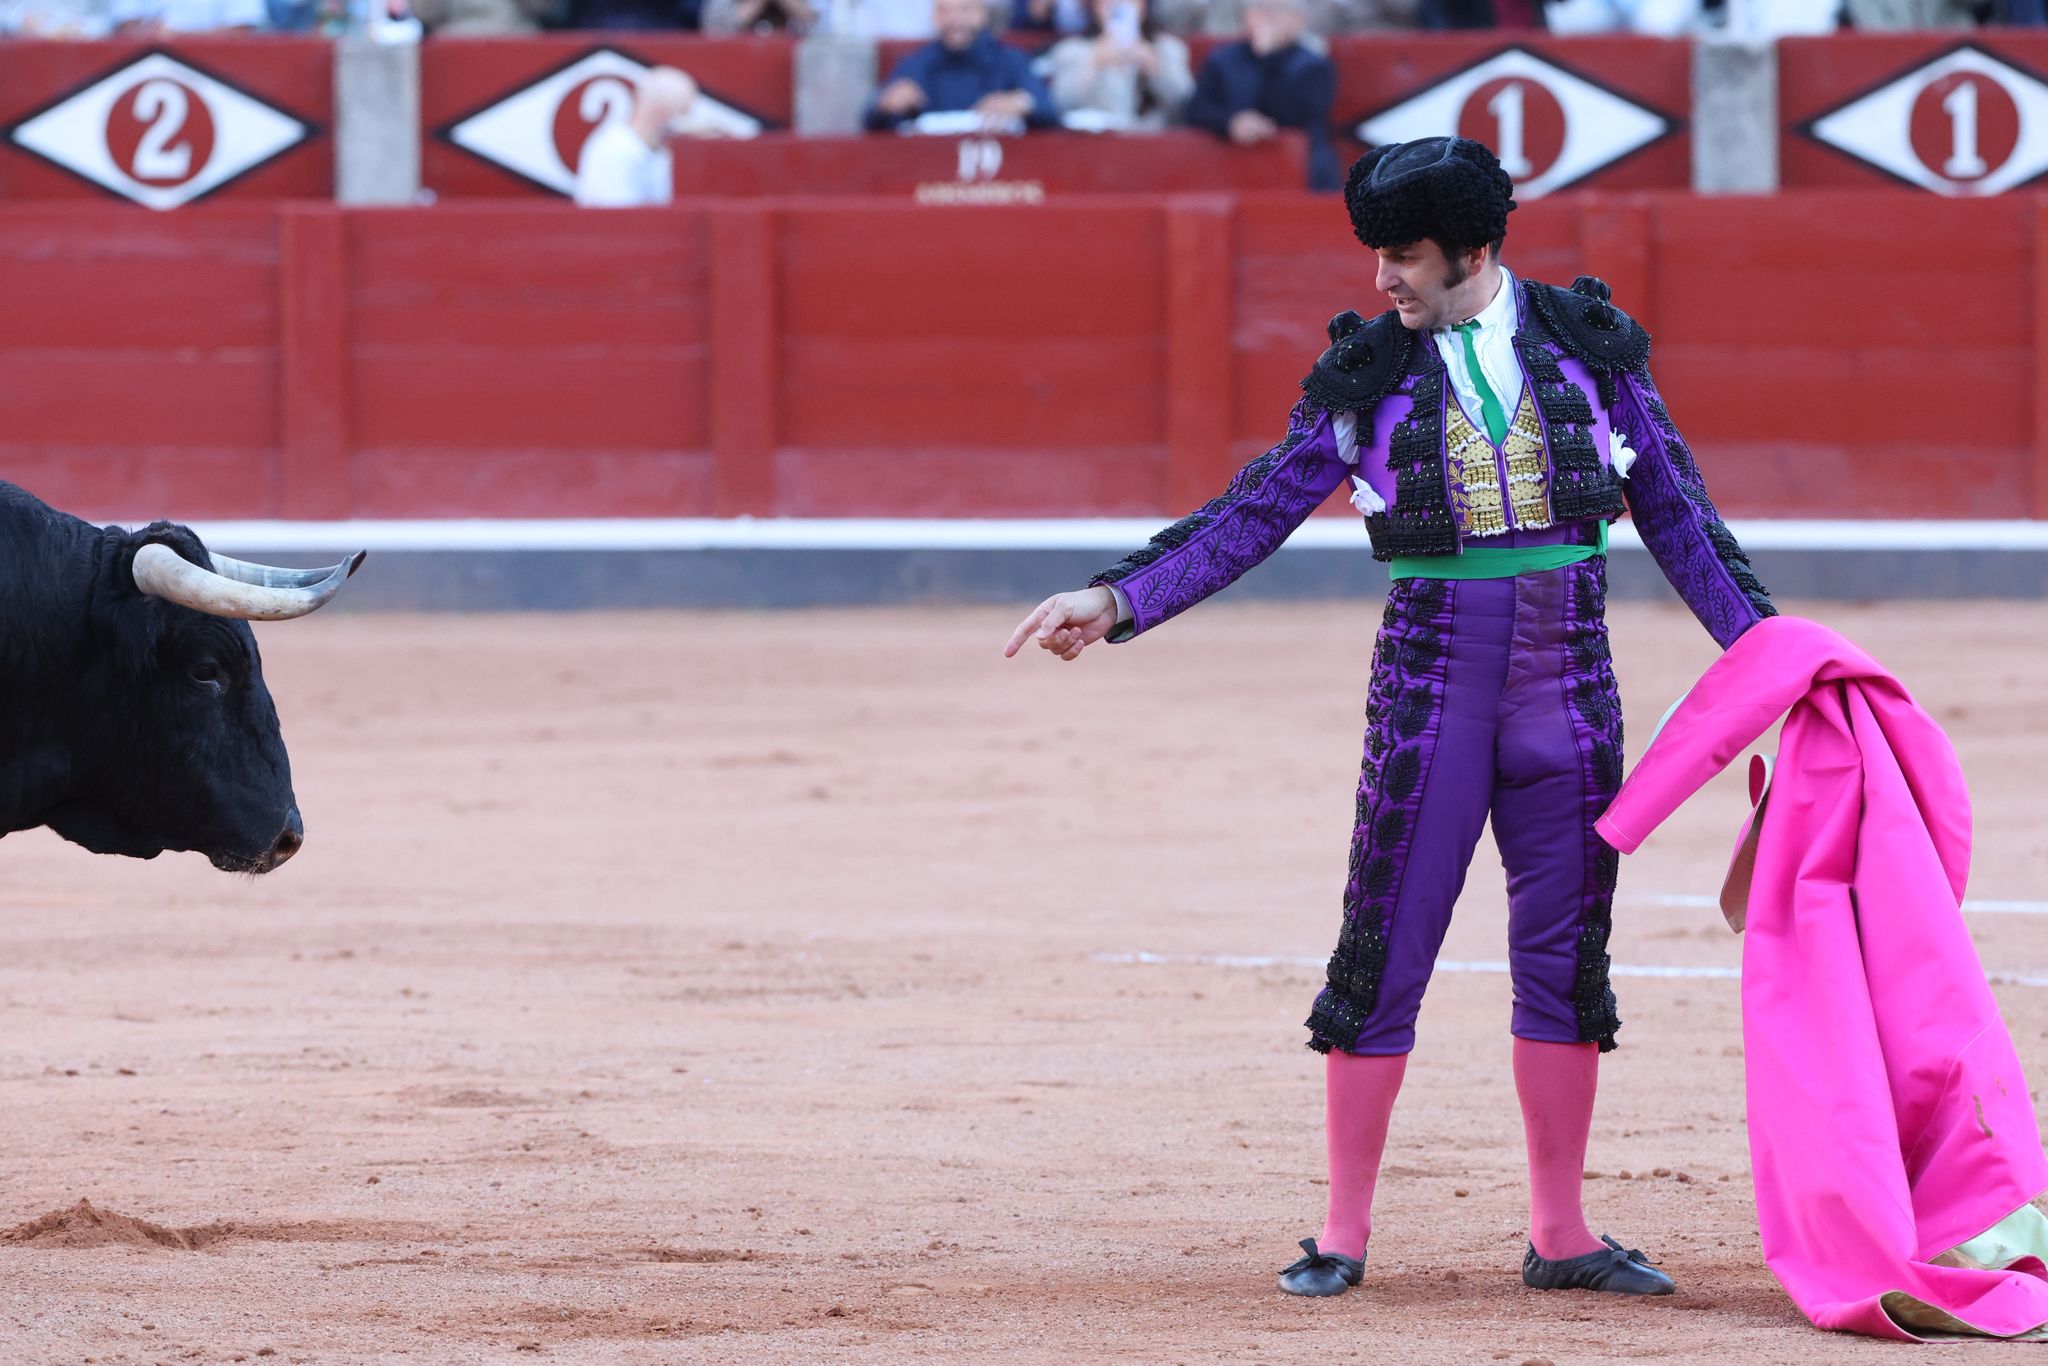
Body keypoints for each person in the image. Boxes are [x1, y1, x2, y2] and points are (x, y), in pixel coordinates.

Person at [1003, 137, 1777, 1300]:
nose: (1382, 282)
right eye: (1375, 256)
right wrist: (1116, 598)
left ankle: (1561, 1234)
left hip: (1570, 691)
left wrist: (1780, 655)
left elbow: (1679, 517)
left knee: (1566, 960)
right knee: (1382, 946)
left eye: (1403, 257)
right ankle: (1341, 1232)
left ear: (1473, 249)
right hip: (1426, 691)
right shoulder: (1366, 374)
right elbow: (1250, 512)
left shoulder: (1588, 351)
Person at [1182, 0, 1337, 189]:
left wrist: (1268, 57)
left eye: (1280, 9)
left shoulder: (1314, 66)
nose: (1269, 16)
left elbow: (1297, 116)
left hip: (1297, 167)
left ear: (1299, 20)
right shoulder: (1222, 60)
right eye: (1260, 8)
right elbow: (1196, 109)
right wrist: (1231, 121)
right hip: (1228, 164)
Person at [864, 0, 1055, 131]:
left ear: (982, 14)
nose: (955, 20)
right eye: (945, 10)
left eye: (964, 9)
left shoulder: (1011, 60)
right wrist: (884, 106)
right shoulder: (917, 63)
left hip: (1006, 176)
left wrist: (1022, 103)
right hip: (931, 174)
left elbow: (1050, 110)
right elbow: (869, 119)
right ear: (934, 17)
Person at [1045, 0, 1193, 130]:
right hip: (1096, 147)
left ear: (1142, 6)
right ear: (1096, 7)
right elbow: (1058, 106)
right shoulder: (1071, 50)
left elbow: (1186, 103)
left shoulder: (1168, 49)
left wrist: (1155, 68)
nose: (1118, 6)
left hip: (1154, 146)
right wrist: (1092, 64)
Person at [573, 68, 698, 208]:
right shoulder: (614, 150)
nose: (686, 123)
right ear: (661, 111)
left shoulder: (660, 153)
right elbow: (620, 219)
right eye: (683, 114)